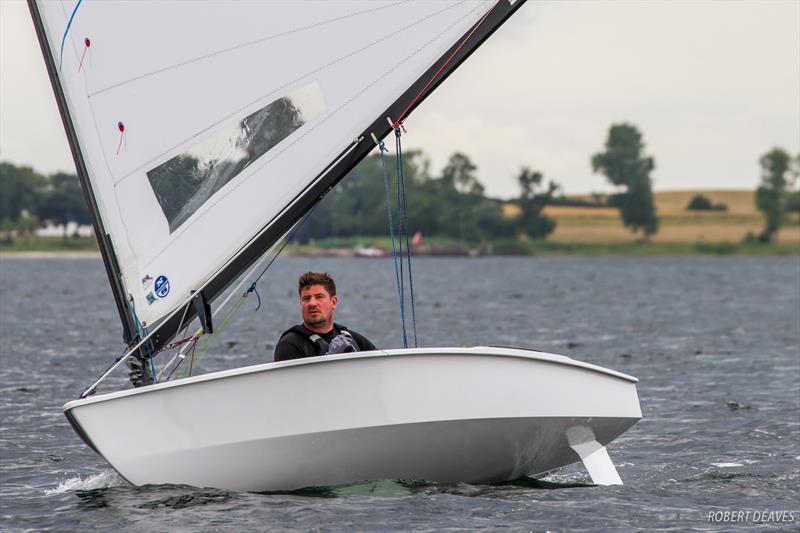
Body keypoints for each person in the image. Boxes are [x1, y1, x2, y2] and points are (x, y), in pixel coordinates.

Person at [274, 272, 375, 362]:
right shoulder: (289, 345)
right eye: (306, 298)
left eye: (319, 297)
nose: (312, 303)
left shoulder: (352, 339)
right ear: (301, 304)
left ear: (333, 302)